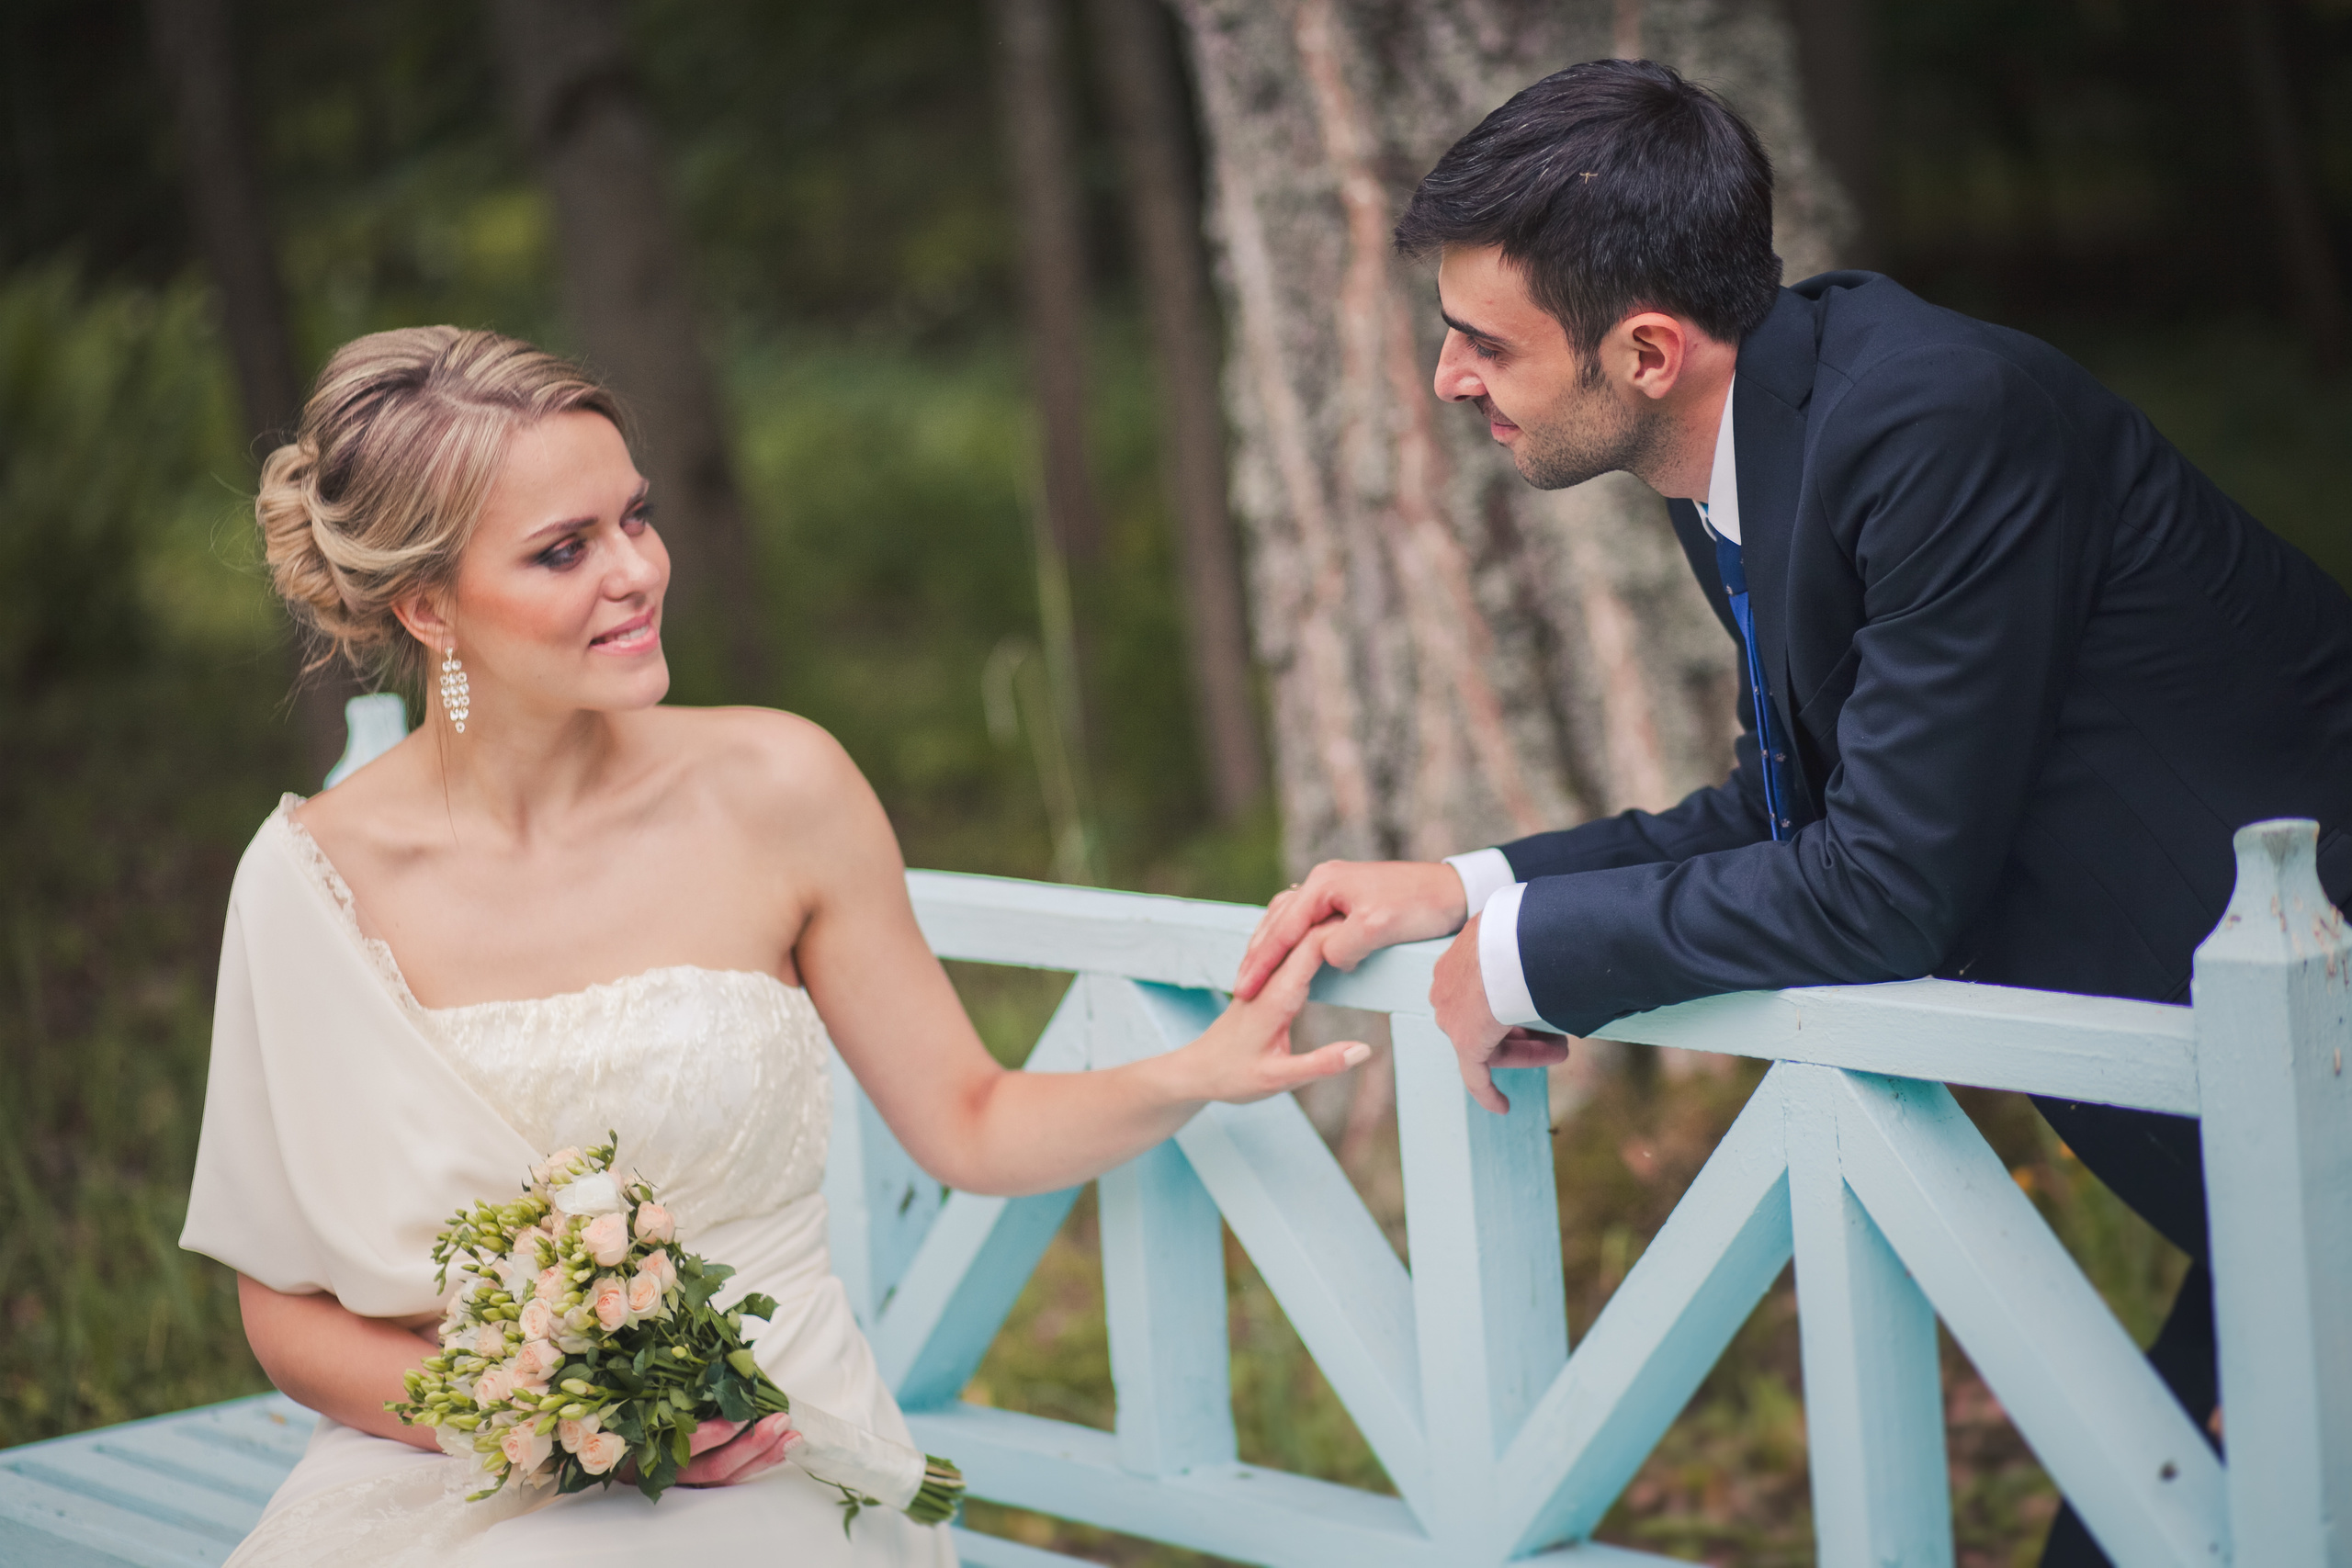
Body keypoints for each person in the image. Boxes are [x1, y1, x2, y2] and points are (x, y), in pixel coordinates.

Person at [1231, 59, 2352, 1568]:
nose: (1446, 379)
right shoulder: (1761, 445)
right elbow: (1792, 811)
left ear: (1645, 350)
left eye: (1481, 343)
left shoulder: (1940, 422)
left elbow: (1884, 887)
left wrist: (1527, 958)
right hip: (2270, 1156)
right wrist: (1465, 884)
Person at [181, 326, 1370, 1567]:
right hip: (439, 1460)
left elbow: (968, 1116)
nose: (637, 571)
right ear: (430, 607)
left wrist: (1192, 1070)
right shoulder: (309, 884)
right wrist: (564, 1422)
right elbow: (287, 1319)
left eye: (635, 519)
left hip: (771, 1453)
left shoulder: (780, 786)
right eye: (563, 550)